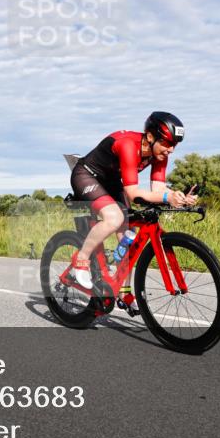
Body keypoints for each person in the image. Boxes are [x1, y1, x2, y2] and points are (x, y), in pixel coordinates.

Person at [69, 112, 197, 308]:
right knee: (113, 218)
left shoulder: (160, 154)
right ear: (150, 136)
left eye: (174, 145)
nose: (171, 149)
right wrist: (166, 198)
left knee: (129, 238)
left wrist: (178, 197)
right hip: (87, 175)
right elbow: (133, 193)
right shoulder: (129, 145)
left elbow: (158, 189)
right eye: (167, 143)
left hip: (111, 181)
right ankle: (81, 259)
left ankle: (124, 291)